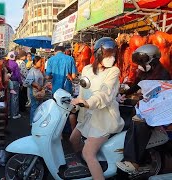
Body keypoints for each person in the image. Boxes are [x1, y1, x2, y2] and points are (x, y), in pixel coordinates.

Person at [69, 37, 125, 180]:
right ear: (98, 53)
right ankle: (86, 165)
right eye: (108, 54)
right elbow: (82, 91)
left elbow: (105, 93)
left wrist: (88, 103)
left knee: (89, 153)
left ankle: (93, 168)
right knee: (73, 139)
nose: (111, 58)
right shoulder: (87, 69)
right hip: (87, 115)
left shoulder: (114, 71)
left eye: (113, 54)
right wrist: (76, 106)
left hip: (103, 118)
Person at [116, 44, 171, 173]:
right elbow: (136, 85)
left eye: (142, 61)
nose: (139, 64)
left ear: (153, 59)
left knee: (138, 121)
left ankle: (132, 162)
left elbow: (160, 97)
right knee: (123, 109)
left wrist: (144, 103)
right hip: (147, 105)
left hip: (158, 108)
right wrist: (125, 94)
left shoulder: (163, 74)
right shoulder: (144, 72)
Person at [24, 56, 45, 124]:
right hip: (34, 92)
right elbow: (27, 81)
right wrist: (36, 85)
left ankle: (36, 122)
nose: (41, 63)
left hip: (39, 92)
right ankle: (32, 123)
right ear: (36, 62)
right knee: (34, 107)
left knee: (39, 107)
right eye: (40, 62)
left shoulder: (39, 70)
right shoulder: (32, 70)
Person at [7, 51, 22, 119]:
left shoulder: (6, 63)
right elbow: (18, 75)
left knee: (8, 98)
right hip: (14, 82)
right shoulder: (15, 64)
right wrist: (21, 82)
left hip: (7, 81)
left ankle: (8, 113)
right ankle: (15, 114)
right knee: (15, 98)